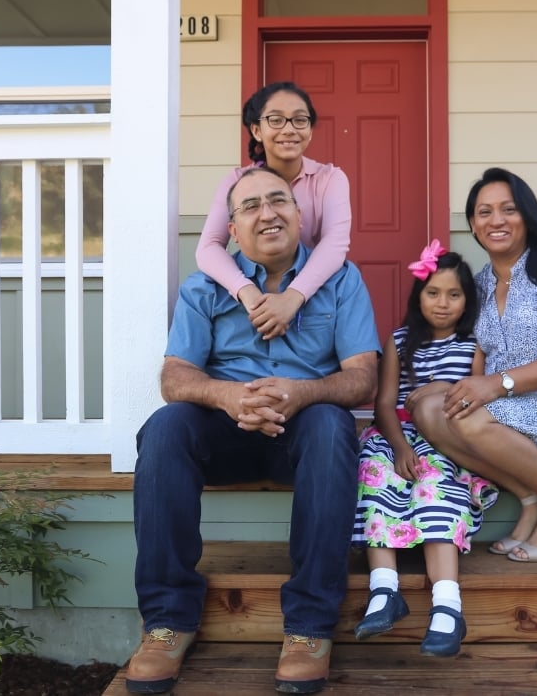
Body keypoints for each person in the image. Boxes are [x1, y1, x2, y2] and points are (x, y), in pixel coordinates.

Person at [125, 166, 379, 695]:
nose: (268, 213)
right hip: (227, 431)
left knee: (334, 427)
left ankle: (309, 627)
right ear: (232, 230)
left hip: (303, 431)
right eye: (250, 206)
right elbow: (175, 377)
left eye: (278, 200)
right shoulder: (205, 289)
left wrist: (302, 391)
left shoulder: (341, 279)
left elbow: (362, 378)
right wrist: (228, 396)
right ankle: (166, 621)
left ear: (299, 214)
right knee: (165, 428)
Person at [410, 167, 537, 564]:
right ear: (472, 224)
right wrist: (450, 389)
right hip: (515, 418)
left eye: (508, 209)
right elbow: (481, 367)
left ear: (527, 214)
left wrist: (495, 385)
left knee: (469, 416)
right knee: (430, 410)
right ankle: (530, 496)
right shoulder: (484, 283)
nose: (496, 220)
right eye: (484, 212)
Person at [350, 243, 499, 658]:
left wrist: (442, 390)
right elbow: (383, 404)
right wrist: (397, 447)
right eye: (433, 293)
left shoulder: (475, 344)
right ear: (418, 297)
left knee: (435, 489)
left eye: (454, 294)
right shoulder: (399, 341)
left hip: (447, 440)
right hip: (396, 435)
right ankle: (384, 592)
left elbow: (480, 398)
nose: (443, 303)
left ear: (467, 300)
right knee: (375, 478)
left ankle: (447, 606)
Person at [196, 80, 351, 340]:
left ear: (310, 131)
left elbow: (335, 243)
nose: (289, 129)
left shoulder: (330, 179)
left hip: (315, 298)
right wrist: (247, 292)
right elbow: (208, 247)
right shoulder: (236, 182)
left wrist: (292, 298)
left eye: (300, 120)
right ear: (256, 130)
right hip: (251, 302)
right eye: (276, 120)